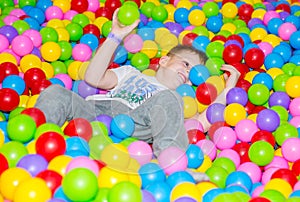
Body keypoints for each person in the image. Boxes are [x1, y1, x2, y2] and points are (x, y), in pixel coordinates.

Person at [35, 9, 240, 180]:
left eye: (193, 74)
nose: (188, 73)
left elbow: (204, 120)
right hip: (95, 113)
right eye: (186, 64)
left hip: (135, 128)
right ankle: (36, 142)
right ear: (163, 61)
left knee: (169, 99)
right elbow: (93, 78)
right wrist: (114, 37)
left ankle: (174, 168)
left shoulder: (176, 101)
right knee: (56, 92)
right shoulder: (130, 72)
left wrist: (229, 89)